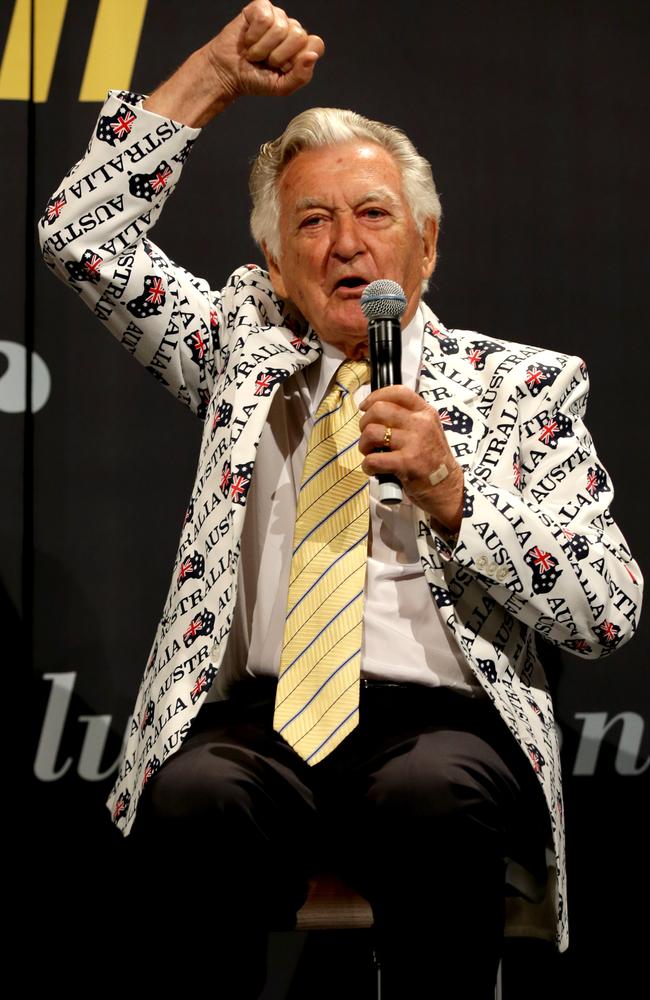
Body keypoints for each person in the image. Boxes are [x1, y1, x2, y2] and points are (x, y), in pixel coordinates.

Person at [39, 2, 642, 996]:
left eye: (372, 215)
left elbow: (606, 610)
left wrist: (454, 495)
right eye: (309, 222)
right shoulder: (240, 350)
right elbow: (81, 236)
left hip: (437, 728)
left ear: (426, 246)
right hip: (257, 726)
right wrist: (212, 78)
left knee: (431, 795)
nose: (343, 244)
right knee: (191, 795)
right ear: (275, 262)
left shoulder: (519, 386)